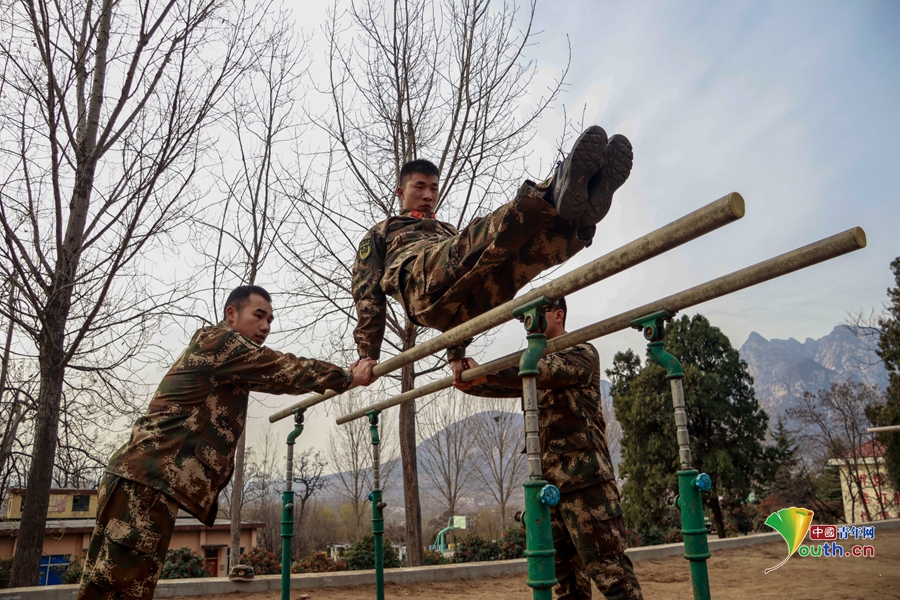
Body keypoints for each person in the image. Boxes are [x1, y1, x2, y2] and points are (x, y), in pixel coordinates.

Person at [76, 285, 376, 600]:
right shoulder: (221, 343)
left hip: (142, 481)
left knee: (106, 590)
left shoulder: (227, 357)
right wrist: (346, 377)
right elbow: (283, 370)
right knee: (121, 592)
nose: (265, 327)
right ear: (231, 315)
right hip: (145, 481)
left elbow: (273, 375)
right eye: (259, 316)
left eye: (271, 321)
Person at [352, 126, 632, 366]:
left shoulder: (446, 230)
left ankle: (576, 217)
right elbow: (367, 293)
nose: (428, 195)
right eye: (420, 187)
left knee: (517, 259)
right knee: (476, 236)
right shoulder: (384, 230)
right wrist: (367, 354)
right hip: (421, 289)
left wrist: (456, 353)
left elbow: (483, 253)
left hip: (468, 303)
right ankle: (553, 189)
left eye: (434, 188)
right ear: (401, 192)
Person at [454, 298, 643, 600]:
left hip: (587, 484)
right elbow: (504, 383)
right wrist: (466, 373)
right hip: (549, 488)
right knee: (567, 584)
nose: (530, 321)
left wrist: (485, 372)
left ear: (558, 315)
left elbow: (536, 371)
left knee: (611, 575)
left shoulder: (581, 353)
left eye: (539, 313)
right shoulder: (532, 368)